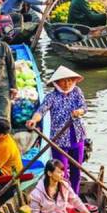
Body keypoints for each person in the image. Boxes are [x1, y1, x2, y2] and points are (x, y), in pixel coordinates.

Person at [26, 66, 88, 194]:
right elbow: (41, 111)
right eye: (63, 81)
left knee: (76, 169)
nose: (67, 84)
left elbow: (84, 107)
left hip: (77, 136)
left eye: (70, 80)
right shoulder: (51, 97)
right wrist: (34, 120)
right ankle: (62, 198)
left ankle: (74, 196)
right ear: (57, 83)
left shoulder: (77, 91)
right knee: (60, 173)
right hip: (59, 139)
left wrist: (79, 112)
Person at [29, 159, 100, 213]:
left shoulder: (65, 186)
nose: (62, 174)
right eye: (59, 172)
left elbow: (77, 202)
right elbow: (35, 212)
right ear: (49, 173)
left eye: (62, 171)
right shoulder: (37, 192)